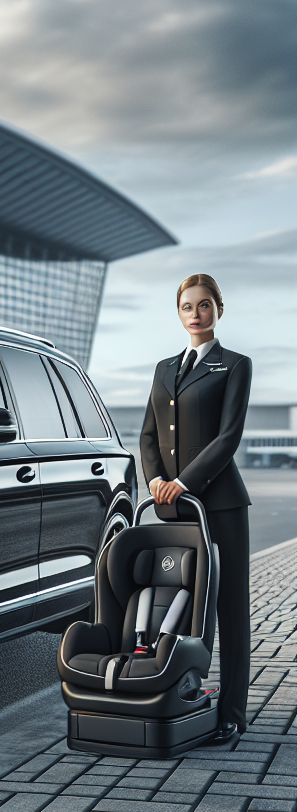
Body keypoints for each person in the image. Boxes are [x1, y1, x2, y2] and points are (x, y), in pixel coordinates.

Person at [140, 273, 252, 744]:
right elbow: (148, 435)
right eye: (188, 306)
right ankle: (188, 699)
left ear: (218, 310)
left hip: (220, 504)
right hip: (175, 508)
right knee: (189, 605)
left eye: (204, 305)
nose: (196, 314)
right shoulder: (165, 367)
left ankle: (233, 712)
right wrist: (156, 480)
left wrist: (184, 482)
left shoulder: (235, 365)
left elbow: (229, 437)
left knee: (229, 607)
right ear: (179, 312)